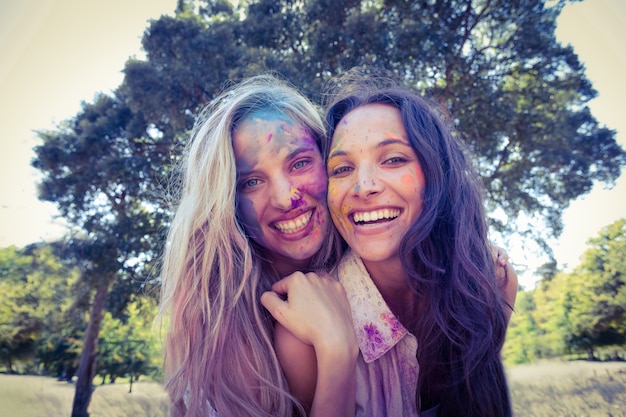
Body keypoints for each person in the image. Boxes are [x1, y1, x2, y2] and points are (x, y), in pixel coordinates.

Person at [262, 73, 518, 416]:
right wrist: (337, 351)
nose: (363, 186)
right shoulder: (301, 331)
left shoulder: (491, 284)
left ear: (436, 174)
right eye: (342, 168)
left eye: (393, 159)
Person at [157, 74, 358, 417]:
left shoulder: (375, 275)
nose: (285, 198)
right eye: (251, 181)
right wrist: (338, 352)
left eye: (299, 163)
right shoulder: (219, 323)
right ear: (226, 202)